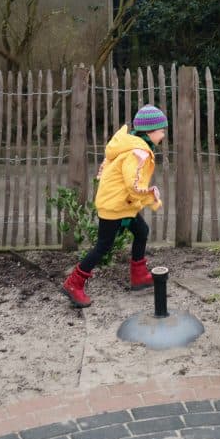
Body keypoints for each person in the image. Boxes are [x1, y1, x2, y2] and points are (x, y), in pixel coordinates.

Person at [61, 104, 168, 308]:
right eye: (162, 130)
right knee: (103, 246)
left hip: (122, 204)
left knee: (141, 231)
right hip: (115, 206)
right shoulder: (136, 153)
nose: (163, 134)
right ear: (150, 131)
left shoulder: (135, 147)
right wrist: (150, 198)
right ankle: (74, 283)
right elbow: (133, 184)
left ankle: (138, 276)